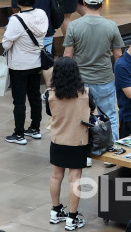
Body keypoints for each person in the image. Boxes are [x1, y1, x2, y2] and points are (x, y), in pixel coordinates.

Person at [63, 0, 124, 146]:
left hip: (81, 81)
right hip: (105, 79)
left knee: (81, 117)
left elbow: (68, 56)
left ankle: (84, 150)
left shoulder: (74, 26)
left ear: (84, 3)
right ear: (101, 5)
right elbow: (118, 55)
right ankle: (112, 148)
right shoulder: (111, 26)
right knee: (110, 116)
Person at [46, 57, 96, 231]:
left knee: (56, 176)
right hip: (78, 141)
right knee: (74, 179)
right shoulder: (86, 93)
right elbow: (93, 111)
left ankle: (55, 211)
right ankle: (72, 218)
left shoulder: (49, 94)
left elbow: (49, 112)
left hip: (58, 139)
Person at [2, 0, 49, 145]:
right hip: (37, 63)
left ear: (17, 0)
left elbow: (6, 44)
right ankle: (35, 128)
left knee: (19, 100)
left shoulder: (16, 20)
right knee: (35, 96)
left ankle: (19, 134)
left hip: (19, 66)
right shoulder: (42, 14)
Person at [11, 0, 60, 87]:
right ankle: (51, 91)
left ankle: (31, 90)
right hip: (47, 28)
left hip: (26, 31)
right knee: (47, 61)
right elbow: (58, 0)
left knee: (29, 62)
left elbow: (15, 7)